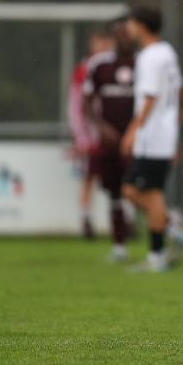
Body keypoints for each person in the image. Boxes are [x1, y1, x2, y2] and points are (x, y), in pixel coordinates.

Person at [120, 6, 183, 272]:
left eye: (131, 23)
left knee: (148, 192)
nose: (128, 28)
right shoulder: (167, 51)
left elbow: (150, 97)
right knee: (134, 190)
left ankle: (158, 254)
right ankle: (171, 228)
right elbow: (179, 89)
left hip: (152, 134)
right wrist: (176, 127)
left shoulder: (149, 57)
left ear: (142, 26)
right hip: (163, 133)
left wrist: (132, 130)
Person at [83, 17, 136, 262]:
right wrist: (102, 128)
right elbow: (86, 104)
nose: (124, 39)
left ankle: (165, 232)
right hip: (110, 141)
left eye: (127, 33)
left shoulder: (145, 62)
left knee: (140, 190)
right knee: (114, 192)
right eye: (119, 35)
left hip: (139, 141)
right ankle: (119, 247)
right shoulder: (99, 66)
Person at [68, 29, 112, 239]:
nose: (103, 46)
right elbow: (76, 106)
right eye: (99, 42)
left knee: (119, 177)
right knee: (89, 176)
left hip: (114, 134)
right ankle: (86, 218)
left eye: (106, 42)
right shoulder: (84, 69)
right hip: (92, 134)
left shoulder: (116, 66)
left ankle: (124, 221)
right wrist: (81, 136)